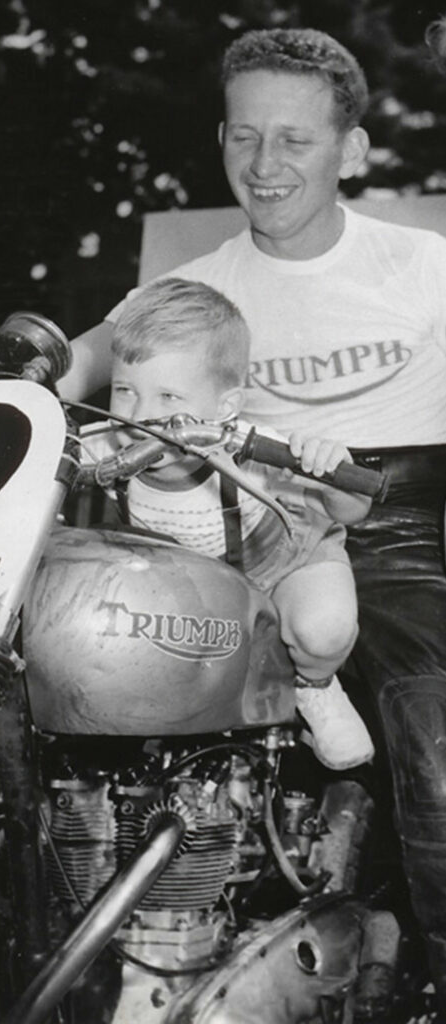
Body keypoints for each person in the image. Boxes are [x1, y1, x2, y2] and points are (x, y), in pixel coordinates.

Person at [59, 27, 446, 1012]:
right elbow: (91, 355)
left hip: (393, 526)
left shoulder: (423, 267)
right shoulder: (194, 290)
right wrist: (16, 384)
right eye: (242, 137)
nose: (263, 165)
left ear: (350, 152)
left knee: (436, 749)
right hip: (226, 523)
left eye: (294, 140)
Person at [82, 275, 374, 770]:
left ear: (225, 408)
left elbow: (353, 510)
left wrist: (330, 472)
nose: (142, 416)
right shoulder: (103, 444)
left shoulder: (254, 448)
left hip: (279, 561)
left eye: (170, 398)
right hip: (177, 583)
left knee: (323, 628)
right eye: (126, 391)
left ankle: (317, 689)